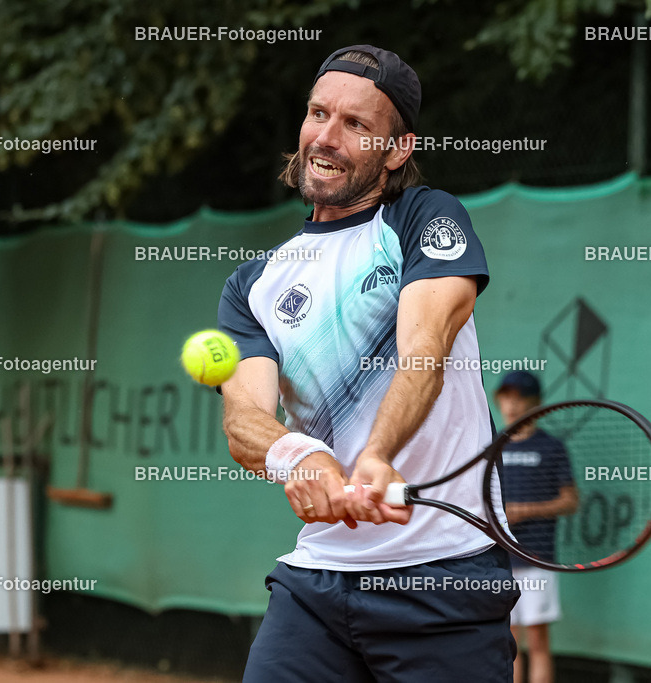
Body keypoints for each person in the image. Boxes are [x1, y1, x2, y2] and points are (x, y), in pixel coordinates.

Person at [217, 45, 518, 682]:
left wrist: (377, 453)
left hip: (444, 579)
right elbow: (245, 419)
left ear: (398, 148)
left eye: (356, 125)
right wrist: (300, 456)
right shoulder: (253, 284)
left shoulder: (426, 220)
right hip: (315, 587)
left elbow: (425, 352)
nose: (325, 137)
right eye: (317, 113)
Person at [494, 371, 579, 683]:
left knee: (538, 640)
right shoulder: (494, 446)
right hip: (501, 561)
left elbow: (571, 501)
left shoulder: (552, 447)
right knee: (510, 642)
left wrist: (527, 510)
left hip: (538, 558)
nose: (512, 405)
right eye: (506, 397)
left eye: (520, 398)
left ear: (537, 404)